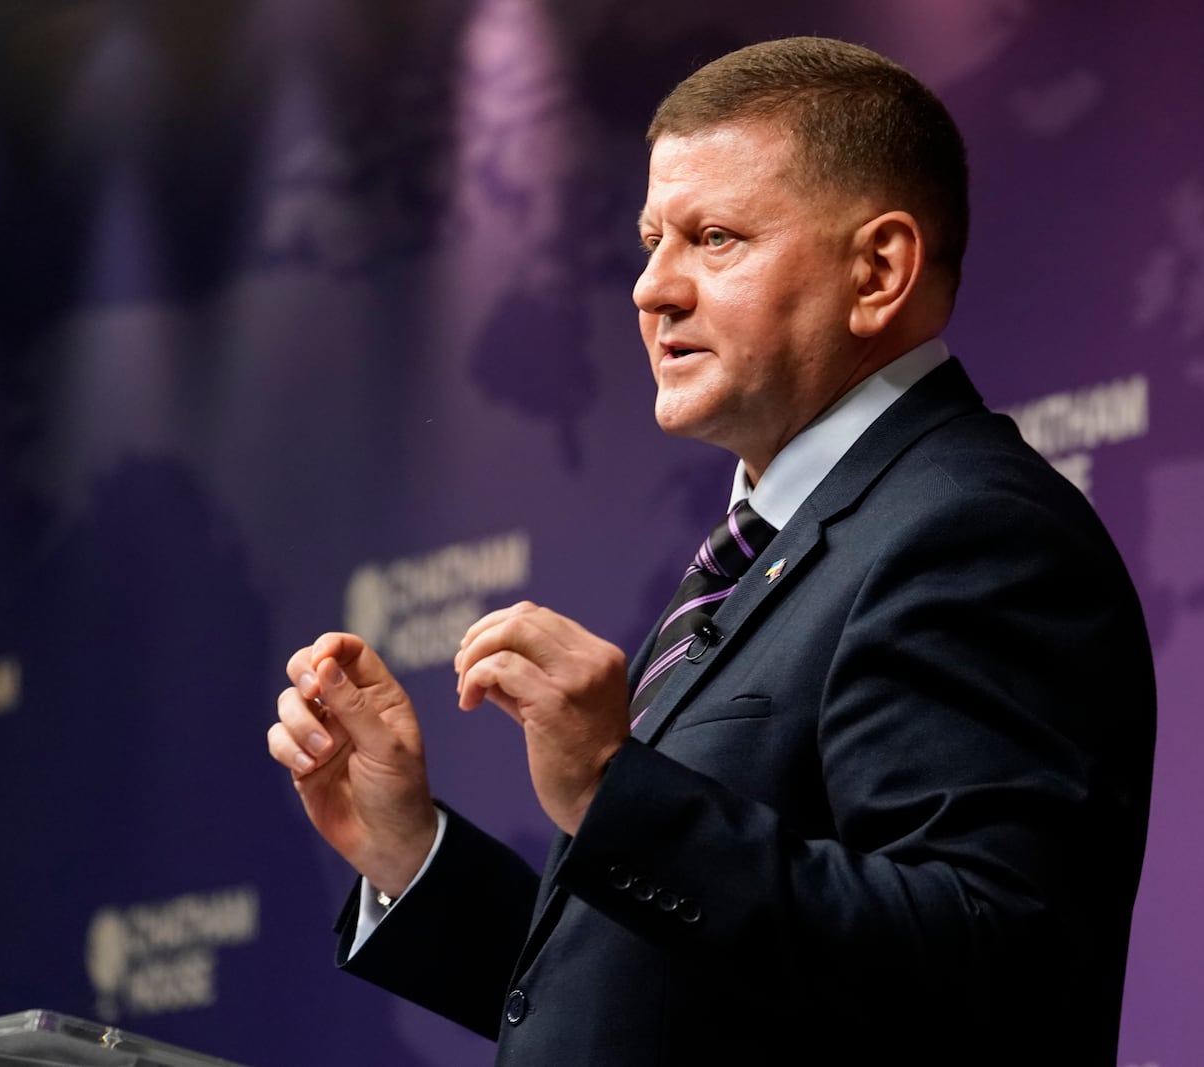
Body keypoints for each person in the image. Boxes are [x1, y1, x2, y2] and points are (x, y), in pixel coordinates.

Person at [268, 36, 1155, 1066]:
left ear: (877, 270)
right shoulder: (770, 546)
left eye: (714, 237)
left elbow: (985, 967)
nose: (652, 289)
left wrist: (613, 789)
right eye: (652, 239)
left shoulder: (971, 534)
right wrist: (412, 852)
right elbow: (658, 1000)